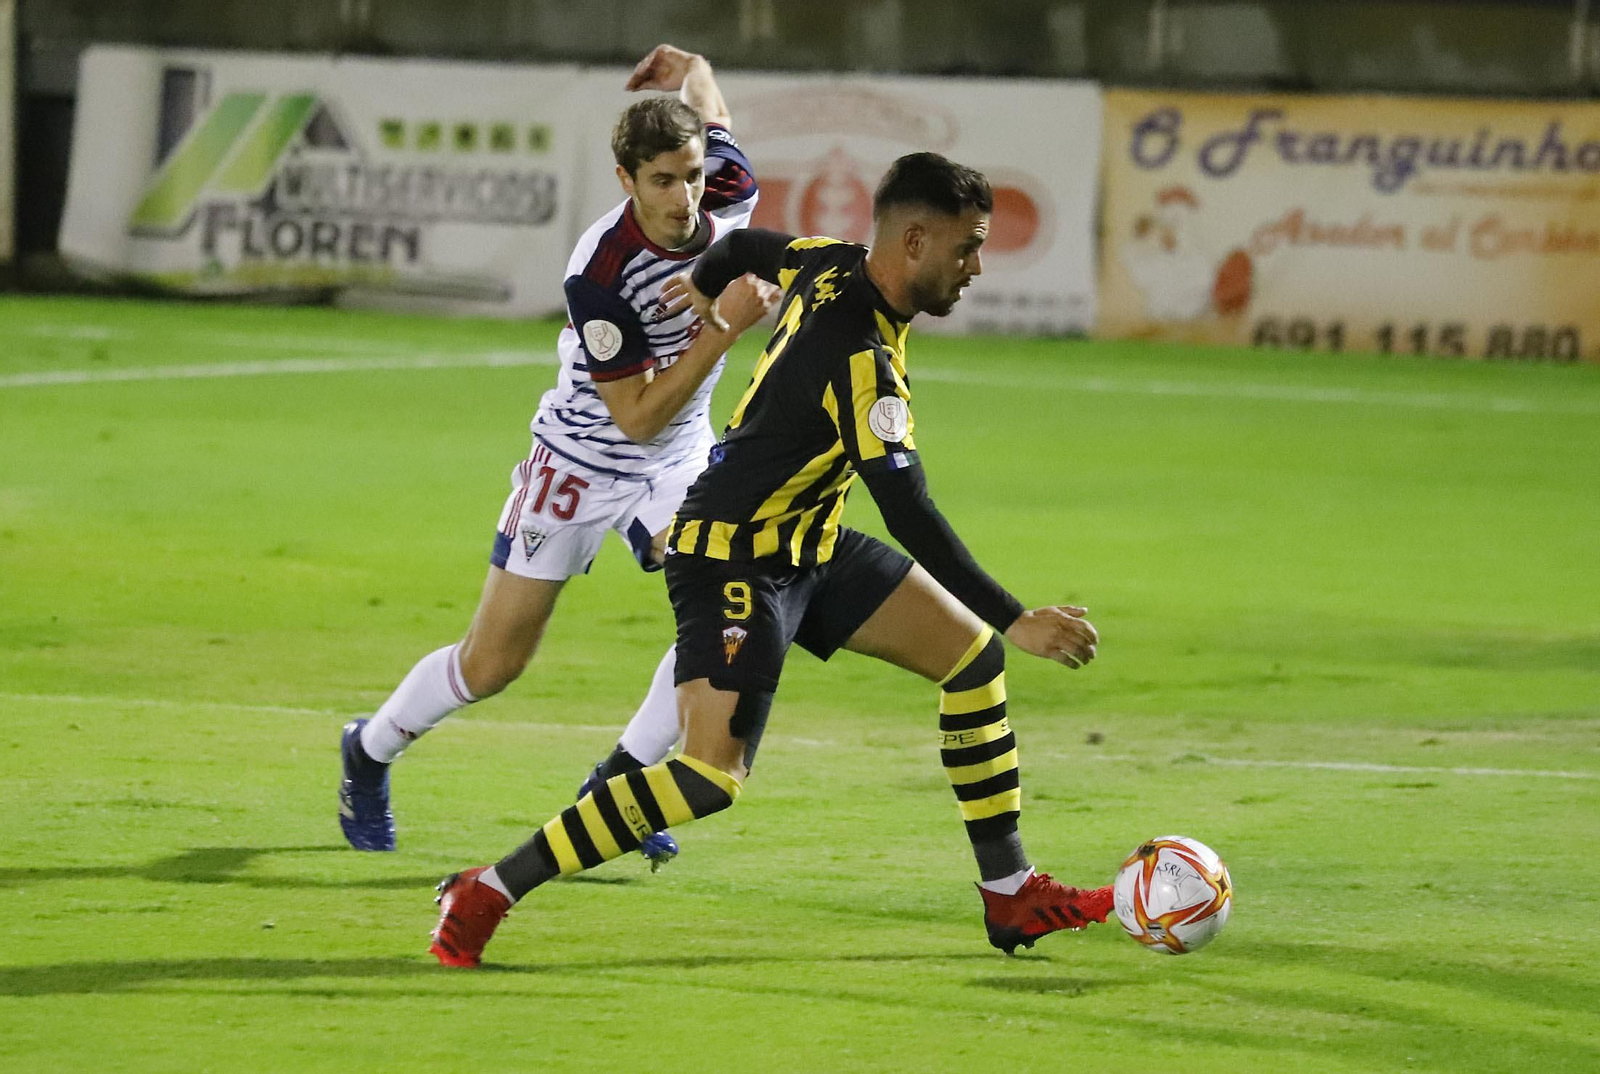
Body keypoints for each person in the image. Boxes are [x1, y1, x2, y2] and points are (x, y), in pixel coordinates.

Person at [426, 151, 1111, 969]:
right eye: (967, 248)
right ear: (916, 242)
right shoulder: (862, 359)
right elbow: (907, 510)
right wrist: (1017, 615)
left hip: (808, 544)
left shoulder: (828, 262)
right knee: (709, 777)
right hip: (731, 558)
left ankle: (1010, 893)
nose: (976, 267)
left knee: (972, 662)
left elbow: (745, 249)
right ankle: (489, 889)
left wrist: (705, 284)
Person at [338, 44, 778, 866]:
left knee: (733, 599)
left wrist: (692, 63)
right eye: (662, 181)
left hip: (676, 464)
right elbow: (635, 416)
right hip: (578, 464)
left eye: (691, 175)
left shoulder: (725, 189)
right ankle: (369, 749)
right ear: (625, 179)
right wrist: (723, 329)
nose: (684, 198)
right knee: (493, 663)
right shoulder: (601, 272)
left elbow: (711, 107)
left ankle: (619, 783)